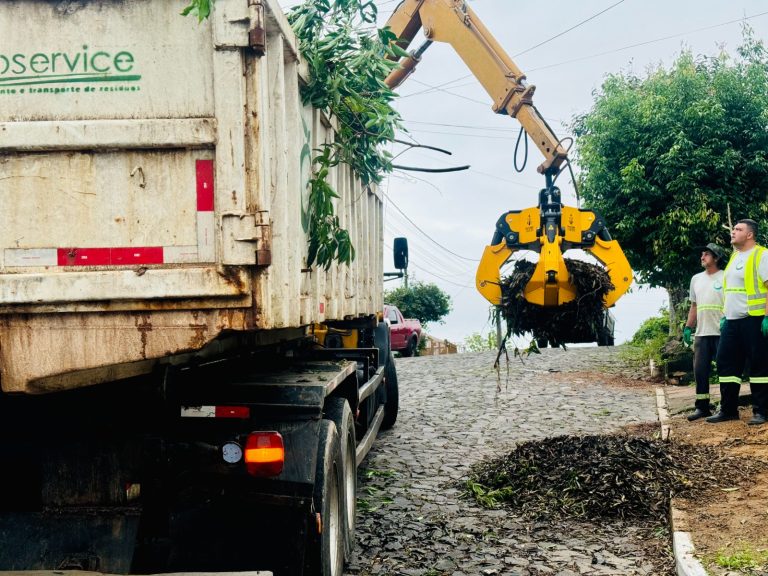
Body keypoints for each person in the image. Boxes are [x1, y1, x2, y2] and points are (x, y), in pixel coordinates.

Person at [707, 219, 768, 426]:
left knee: (759, 366)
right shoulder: (735, 256)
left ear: (750, 235)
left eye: (738, 229)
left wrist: (767, 317)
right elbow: (731, 290)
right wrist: (725, 315)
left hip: (754, 319)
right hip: (732, 321)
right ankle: (728, 410)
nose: (733, 232)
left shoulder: (762, 255)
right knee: (726, 364)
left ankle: (762, 411)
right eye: (733, 229)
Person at [683, 243, 726, 421]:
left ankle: (725, 406)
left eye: (706, 254)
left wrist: (727, 318)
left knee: (725, 370)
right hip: (702, 333)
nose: (702, 257)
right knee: (700, 371)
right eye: (702, 254)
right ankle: (702, 407)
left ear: (716, 258)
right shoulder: (696, 279)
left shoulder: (725, 277)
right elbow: (694, 306)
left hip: (722, 332)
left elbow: (732, 300)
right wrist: (688, 327)